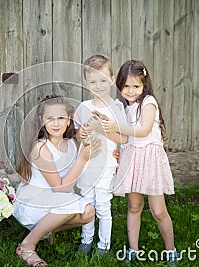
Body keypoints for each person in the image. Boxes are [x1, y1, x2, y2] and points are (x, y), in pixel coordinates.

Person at [101, 60, 178, 264]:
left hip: (149, 160)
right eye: (126, 86)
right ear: (119, 86)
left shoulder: (148, 102)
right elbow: (124, 139)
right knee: (134, 206)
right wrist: (106, 132)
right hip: (132, 160)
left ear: (144, 85)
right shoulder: (124, 109)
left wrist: (116, 126)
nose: (131, 90)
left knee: (158, 211)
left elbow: (143, 130)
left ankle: (171, 250)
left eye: (136, 86)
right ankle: (133, 250)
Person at [14, 94, 102, 266]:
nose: (56, 123)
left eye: (61, 118)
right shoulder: (41, 148)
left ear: (69, 120)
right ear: (41, 121)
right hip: (34, 202)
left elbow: (84, 164)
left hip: (55, 202)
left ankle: (45, 230)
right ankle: (27, 246)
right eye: (50, 118)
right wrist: (82, 159)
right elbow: (60, 188)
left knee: (88, 213)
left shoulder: (71, 144)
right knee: (73, 204)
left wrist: (111, 156)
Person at [74, 55, 127, 256]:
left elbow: (123, 138)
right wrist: (84, 133)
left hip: (106, 164)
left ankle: (103, 245)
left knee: (103, 204)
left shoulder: (116, 107)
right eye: (93, 81)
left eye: (103, 80)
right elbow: (77, 134)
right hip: (87, 163)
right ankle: (86, 240)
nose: (99, 85)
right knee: (87, 202)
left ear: (112, 80)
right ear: (86, 84)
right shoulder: (83, 107)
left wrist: (101, 128)